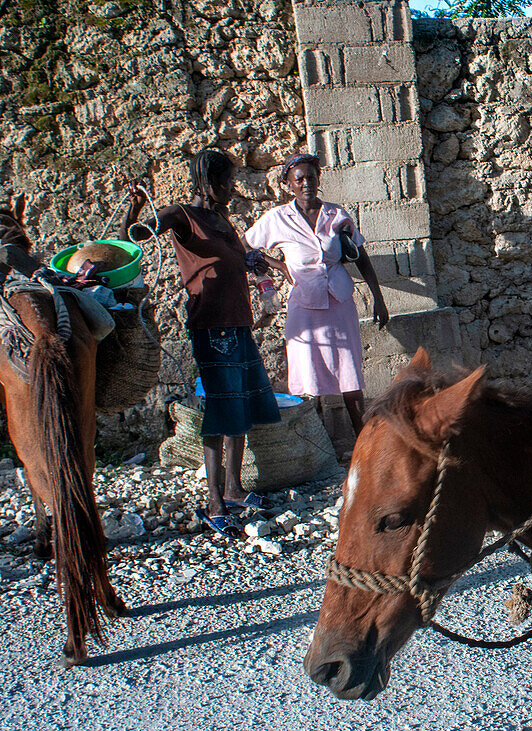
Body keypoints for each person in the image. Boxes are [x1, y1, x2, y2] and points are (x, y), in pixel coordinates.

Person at [121, 149, 282, 538]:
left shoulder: (220, 218)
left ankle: (234, 488)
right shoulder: (182, 215)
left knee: (239, 405)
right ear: (208, 183)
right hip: (211, 324)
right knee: (220, 409)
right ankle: (214, 501)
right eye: (226, 183)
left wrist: (254, 265)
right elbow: (135, 236)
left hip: (237, 322)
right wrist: (136, 206)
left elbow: (238, 258)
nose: (230, 190)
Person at [244, 153, 388, 436]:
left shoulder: (336, 215)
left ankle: (362, 440)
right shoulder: (277, 218)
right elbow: (246, 246)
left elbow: (360, 256)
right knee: (308, 371)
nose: (307, 183)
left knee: (349, 370)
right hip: (305, 305)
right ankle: (314, 440)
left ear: (318, 179)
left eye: (311, 177)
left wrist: (379, 298)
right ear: (289, 184)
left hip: (339, 300)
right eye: (300, 179)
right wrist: (279, 265)